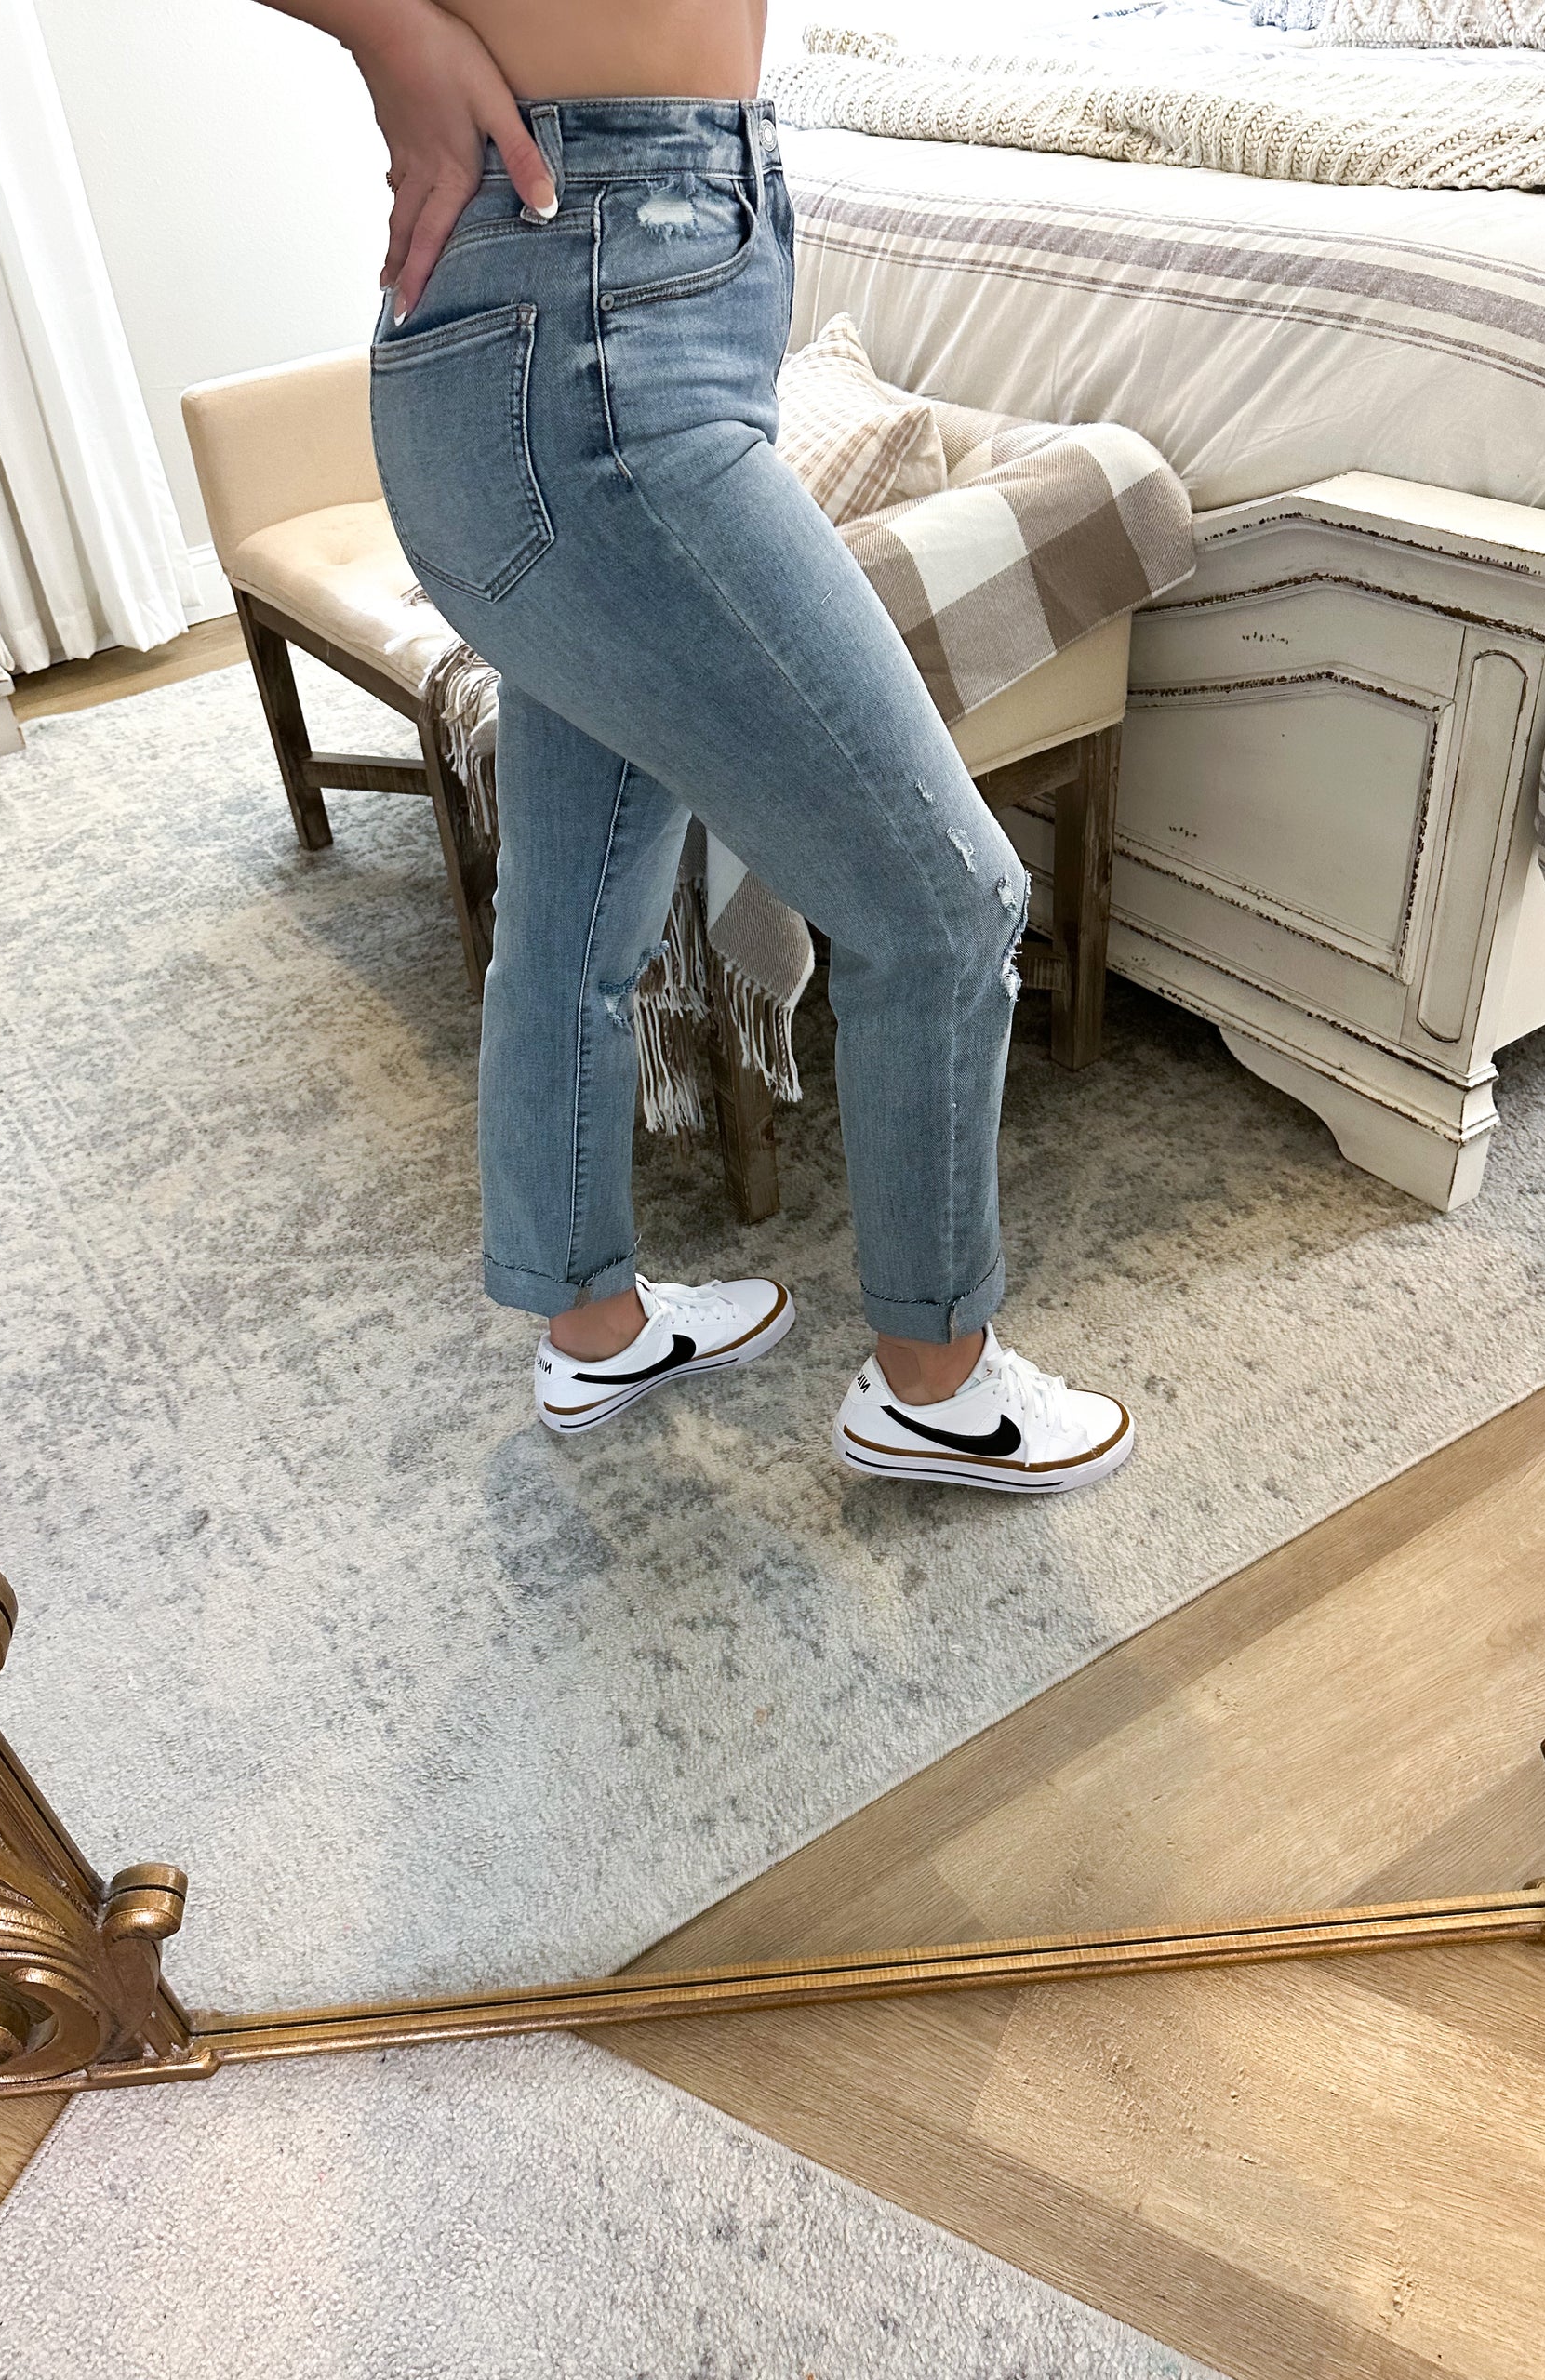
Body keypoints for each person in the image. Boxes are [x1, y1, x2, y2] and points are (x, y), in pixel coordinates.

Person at [256, 0, 1133, 1495]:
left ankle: (594, 1328)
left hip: (567, 322)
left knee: (573, 916)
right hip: (597, 334)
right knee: (944, 904)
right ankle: (936, 1387)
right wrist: (388, 31)